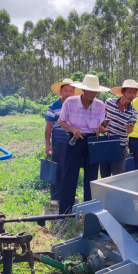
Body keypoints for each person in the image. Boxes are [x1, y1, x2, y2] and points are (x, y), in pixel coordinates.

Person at [57, 75, 109, 215]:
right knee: (70, 175)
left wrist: (102, 129)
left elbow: (101, 126)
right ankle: (65, 213)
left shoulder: (100, 105)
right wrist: (73, 129)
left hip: (92, 141)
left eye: (95, 90)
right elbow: (60, 121)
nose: (94, 93)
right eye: (90, 90)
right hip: (75, 140)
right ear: (83, 90)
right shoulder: (70, 102)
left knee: (91, 177)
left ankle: (89, 213)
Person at [45, 78, 80, 206]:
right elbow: (49, 126)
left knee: (71, 168)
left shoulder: (78, 106)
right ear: (60, 91)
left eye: (71, 91)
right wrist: (47, 145)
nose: (68, 93)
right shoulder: (53, 107)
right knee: (57, 167)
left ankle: (69, 193)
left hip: (73, 139)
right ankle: (55, 196)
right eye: (66, 90)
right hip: (59, 139)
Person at [100, 79, 138, 177]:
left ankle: (115, 193)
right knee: (104, 175)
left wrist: (129, 129)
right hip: (105, 142)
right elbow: (103, 119)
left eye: (134, 93)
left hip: (120, 146)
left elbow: (129, 131)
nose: (132, 95)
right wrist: (101, 128)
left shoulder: (133, 113)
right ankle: (104, 193)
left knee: (117, 176)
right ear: (123, 92)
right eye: (129, 92)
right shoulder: (109, 103)